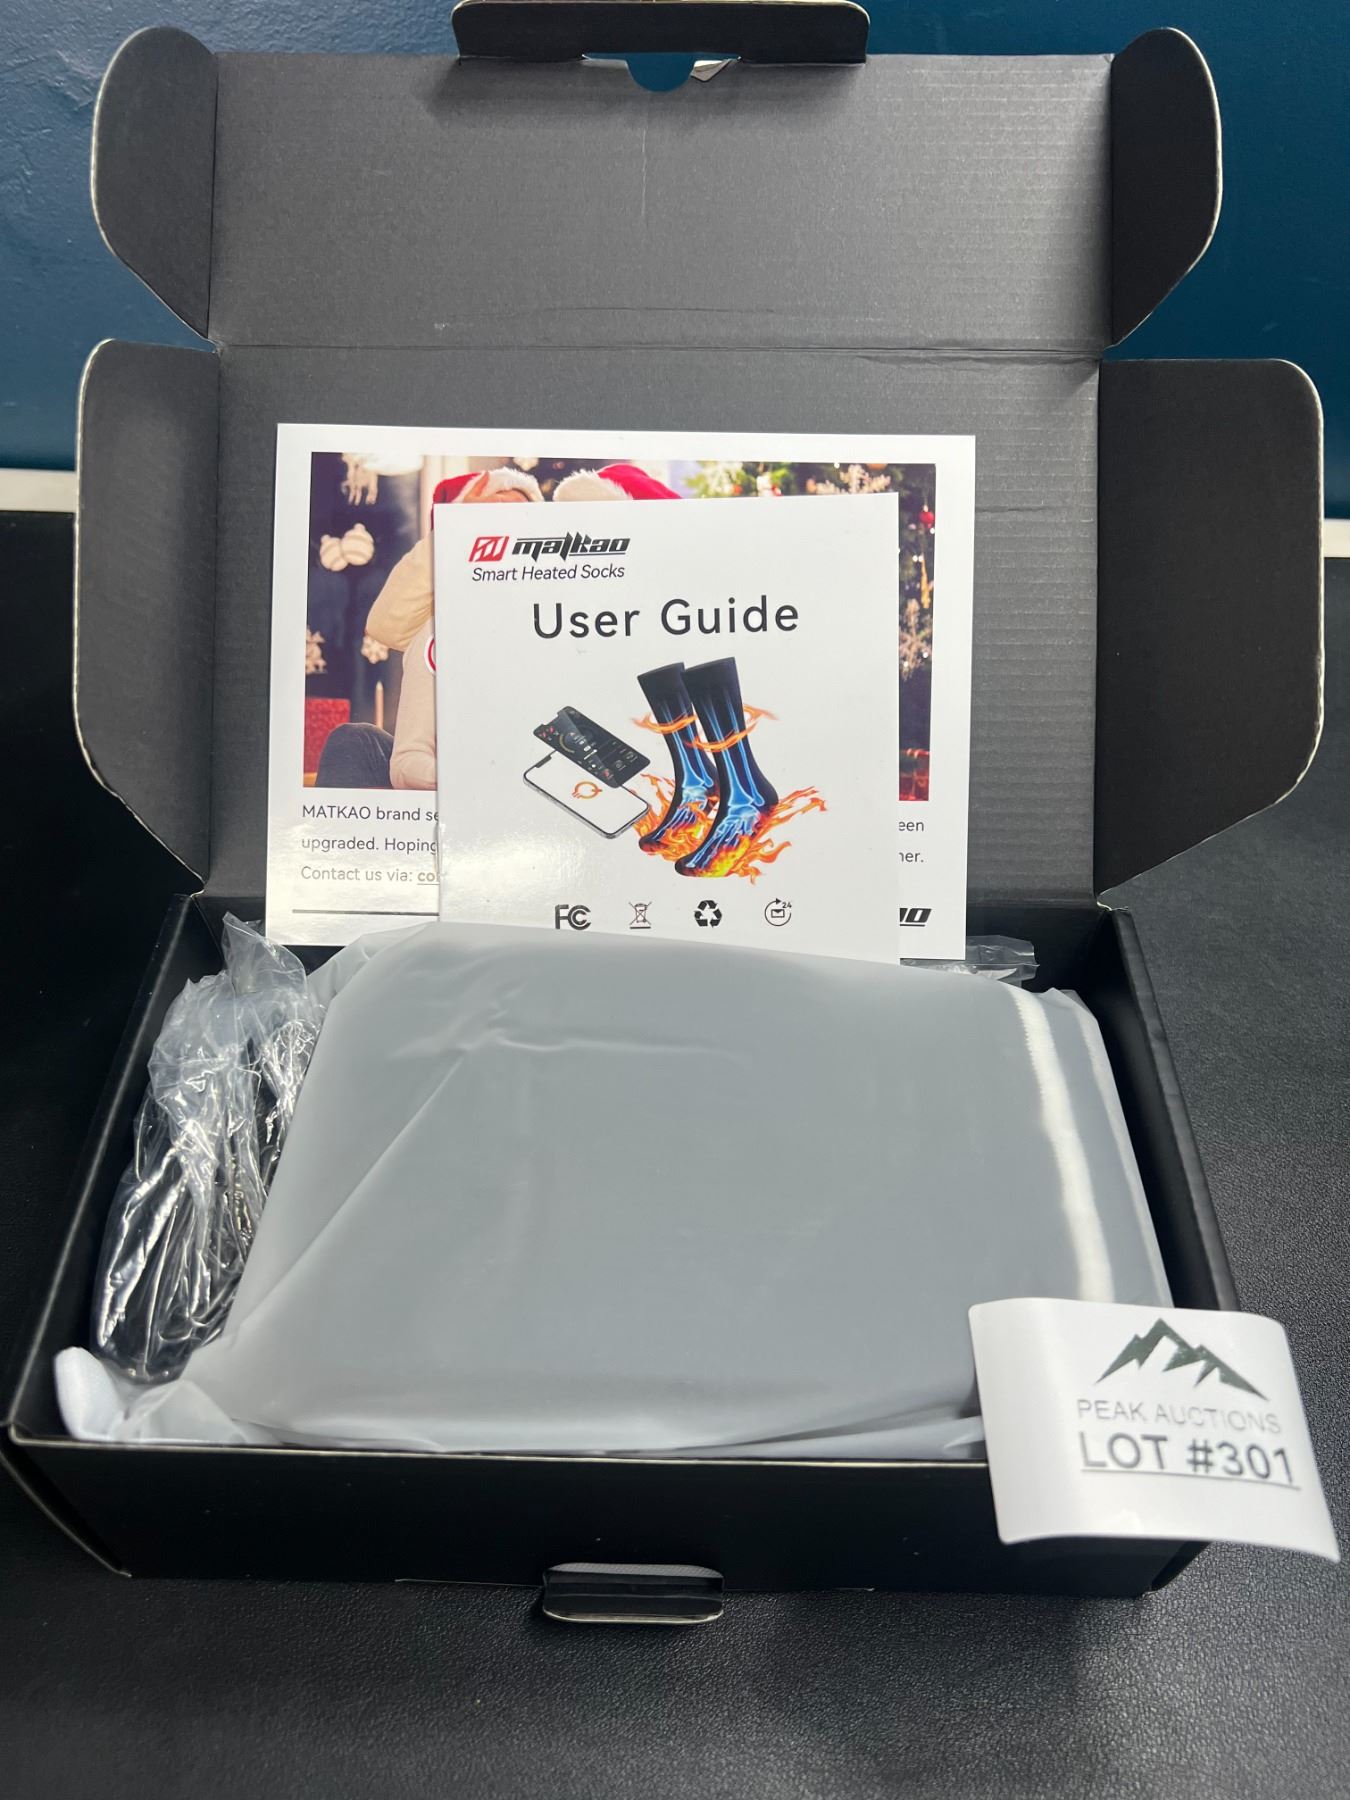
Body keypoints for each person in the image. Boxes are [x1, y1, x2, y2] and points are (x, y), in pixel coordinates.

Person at [314, 467, 541, 787]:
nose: (508, 524)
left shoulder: (556, 607)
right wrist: (456, 529)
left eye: (522, 514)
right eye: (494, 512)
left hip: (529, 762)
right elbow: (386, 625)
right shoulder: (442, 617)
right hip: (448, 769)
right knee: (353, 742)